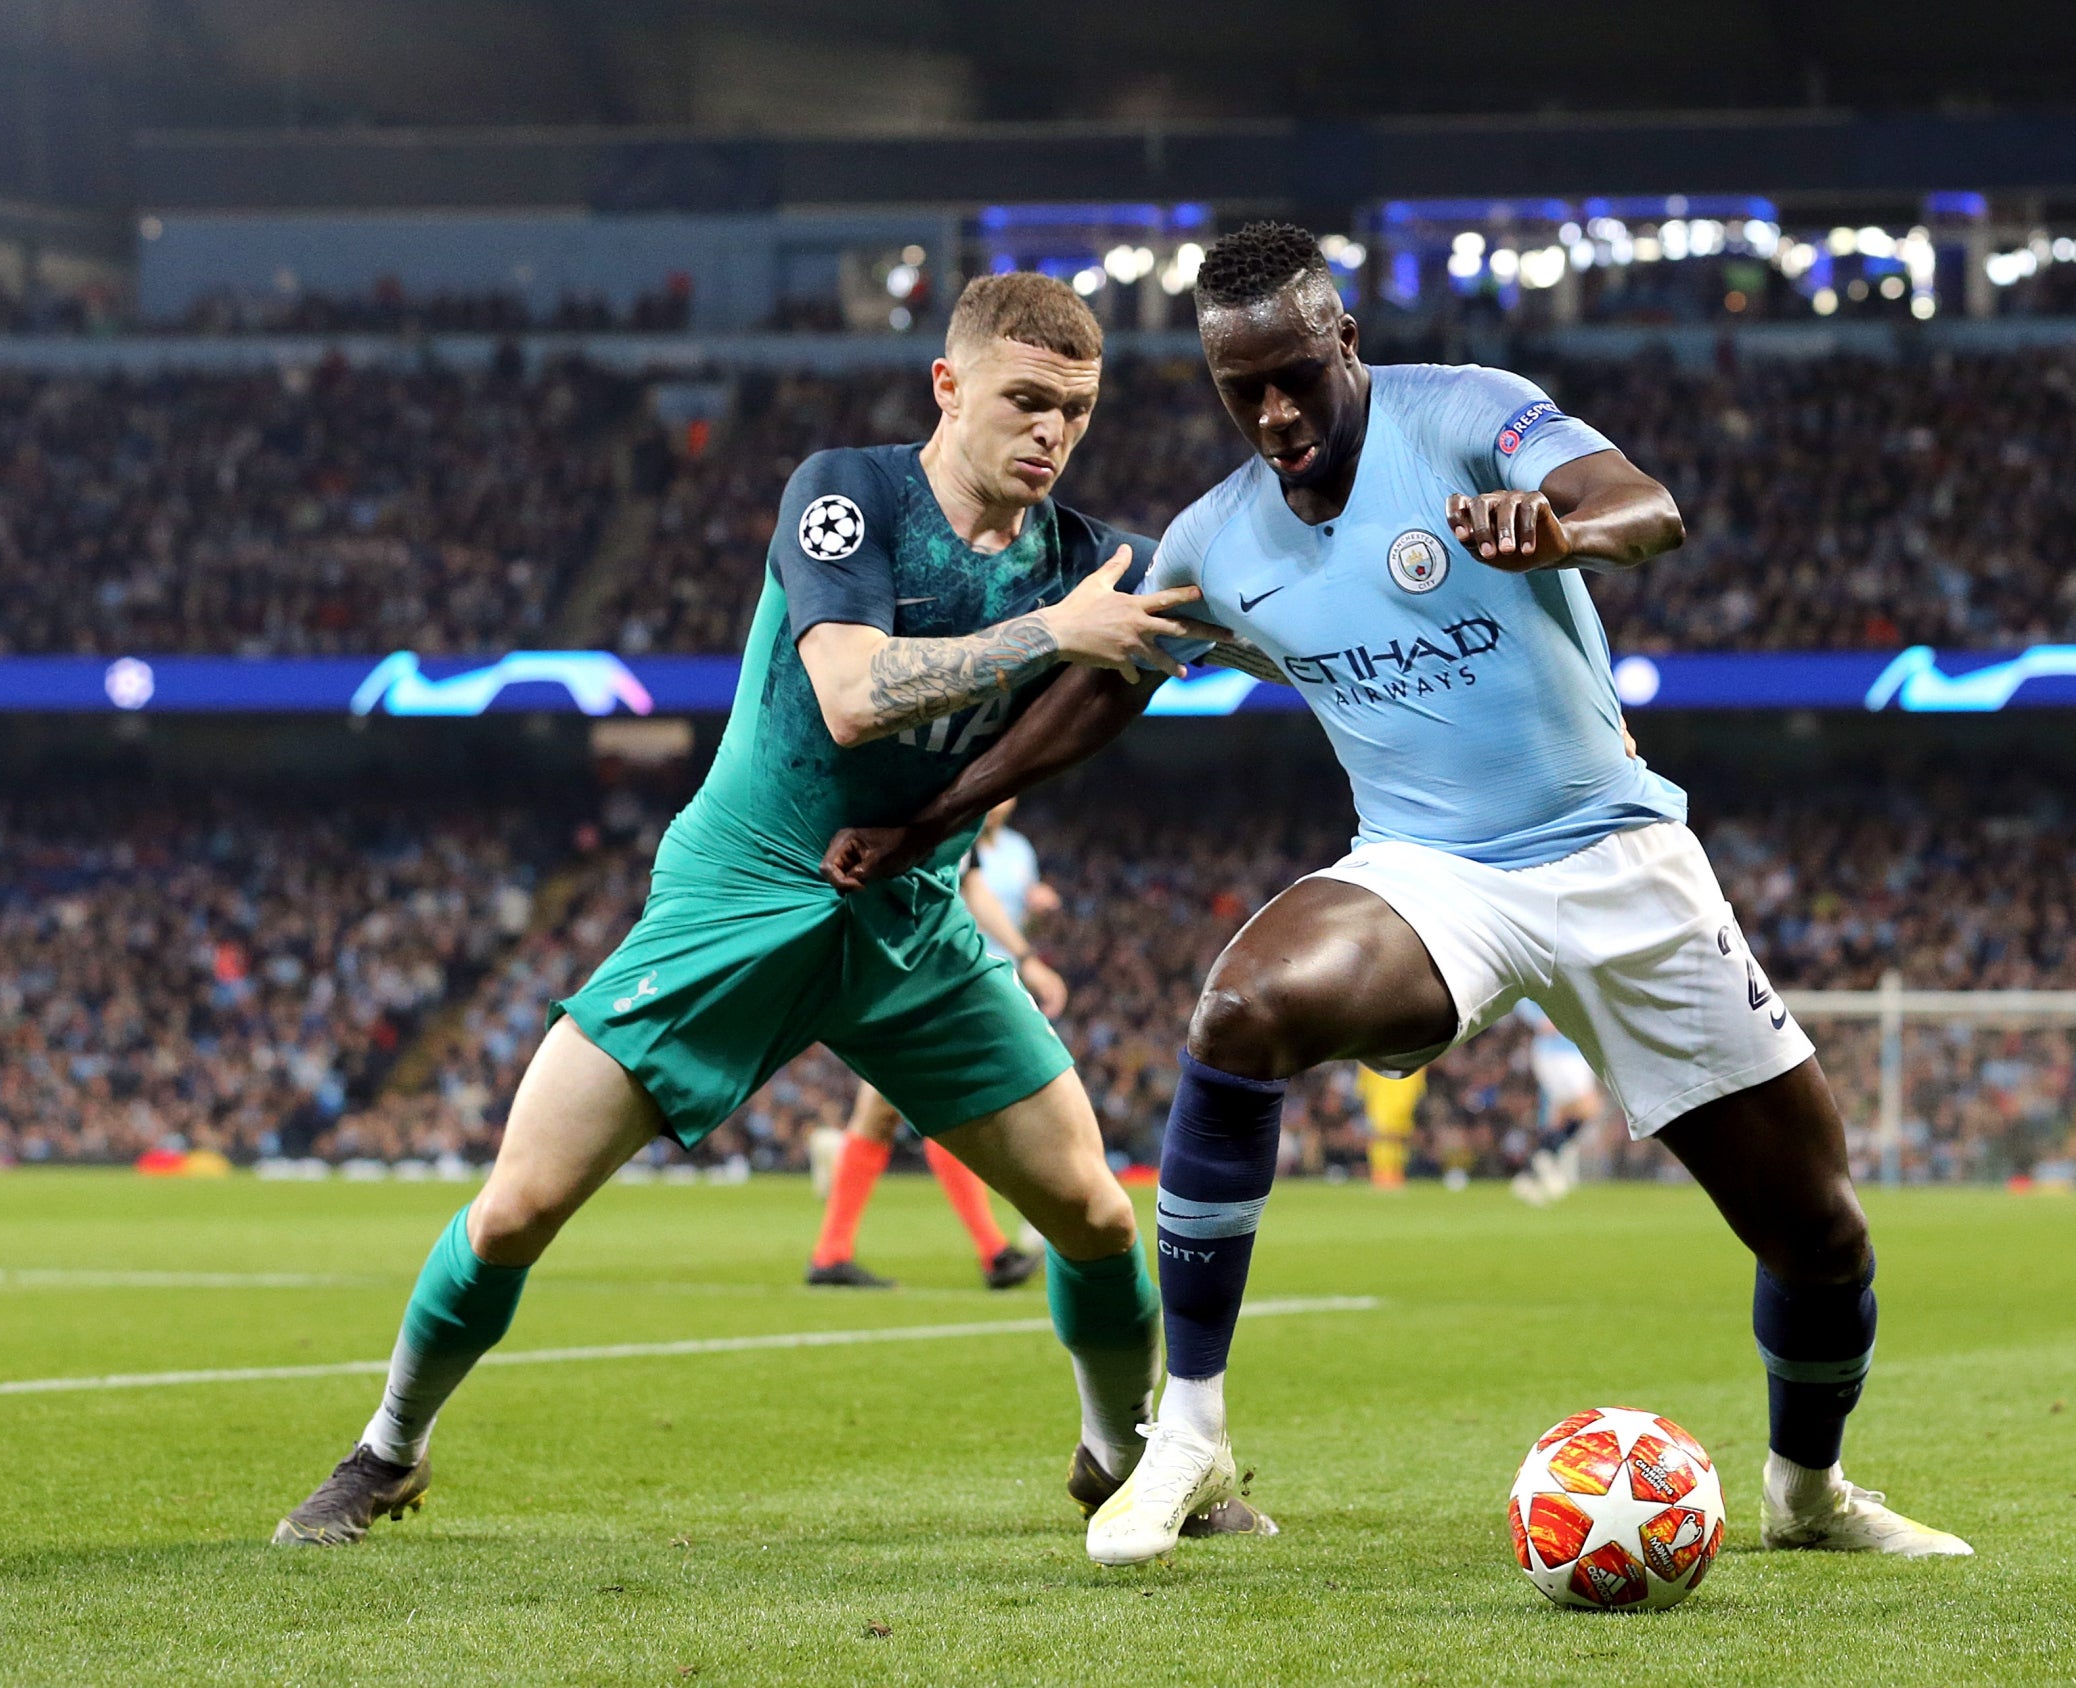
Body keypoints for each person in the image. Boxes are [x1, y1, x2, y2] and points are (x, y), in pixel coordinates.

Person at [822, 222, 1972, 1567]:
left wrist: (1556, 530)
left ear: (1345, 344)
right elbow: (1099, 689)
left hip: (1618, 862)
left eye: (1297, 376)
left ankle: (1808, 1492)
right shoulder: (1220, 535)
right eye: (1240, 388)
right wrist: (940, 817)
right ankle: (1185, 1436)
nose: (1274, 412)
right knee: (1242, 1006)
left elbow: (1647, 508)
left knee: (1820, 1235)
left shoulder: (1469, 416)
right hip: (1430, 876)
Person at [273, 272, 1269, 1548]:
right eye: (1025, 400)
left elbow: (1233, 623)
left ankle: (1114, 1455)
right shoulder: (848, 495)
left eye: (1075, 411)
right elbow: (851, 698)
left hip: (910, 917)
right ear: (948, 386)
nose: (1052, 434)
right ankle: (388, 1449)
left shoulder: (1086, 559)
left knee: (1091, 1210)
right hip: (739, 892)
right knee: (518, 1205)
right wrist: (1051, 632)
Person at [808, 807, 1063, 1290]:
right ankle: (997, 1251)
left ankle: (832, 1254)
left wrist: (1027, 957)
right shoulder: (936, 801)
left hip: (924, 969)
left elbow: (971, 889)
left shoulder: (972, 830)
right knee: (946, 1104)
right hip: (912, 967)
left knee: (885, 1112)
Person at [1509, 1001, 1604, 1208]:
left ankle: (1530, 1175)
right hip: (1558, 1052)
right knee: (1590, 1108)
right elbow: (1520, 998)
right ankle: (1546, 1157)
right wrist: (1540, 1020)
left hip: (1575, 1051)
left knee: (1558, 1116)